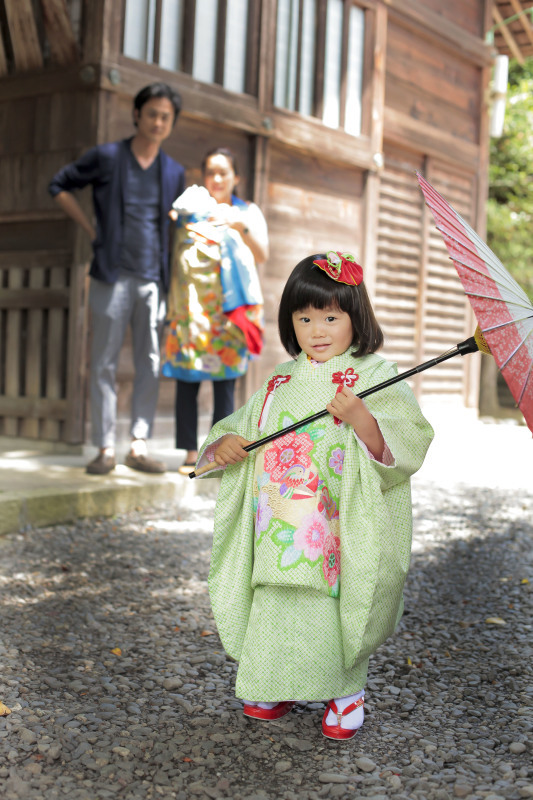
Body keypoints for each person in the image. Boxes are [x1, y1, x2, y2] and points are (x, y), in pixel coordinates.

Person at [194, 251, 434, 739]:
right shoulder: (279, 381)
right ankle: (273, 678)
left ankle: (345, 692)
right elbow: (238, 428)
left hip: (335, 518)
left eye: (331, 316)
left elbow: (407, 438)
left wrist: (364, 420)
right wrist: (224, 445)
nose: (317, 330)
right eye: (304, 318)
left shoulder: (372, 374)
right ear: (291, 323)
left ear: (355, 316)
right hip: (277, 519)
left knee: (332, 602)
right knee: (275, 596)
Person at [48, 83, 185, 475]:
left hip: (152, 280)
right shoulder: (108, 156)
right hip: (111, 274)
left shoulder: (173, 171)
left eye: (166, 116)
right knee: (104, 361)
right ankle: (105, 446)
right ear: (137, 115)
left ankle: (138, 445)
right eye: (152, 113)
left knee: (150, 361)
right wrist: (91, 230)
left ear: (170, 123)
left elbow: (173, 228)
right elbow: (58, 185)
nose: (158, 122)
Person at [162, 147, 268, 475]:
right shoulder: (189, 209)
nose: (217, 179)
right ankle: (190, 453)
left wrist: (239, 225)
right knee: (187, 381)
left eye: (224, 172)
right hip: (192, 311)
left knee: (225, 385)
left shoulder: (247, 211)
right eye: (210, 172)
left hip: (227, 312)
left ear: (237, 177)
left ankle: (219, 453)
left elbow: (262, 254)